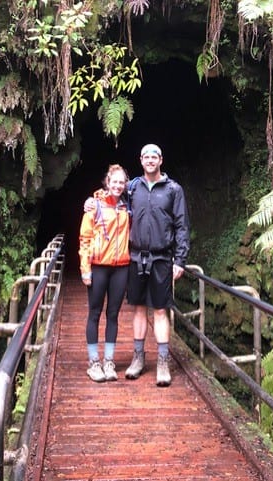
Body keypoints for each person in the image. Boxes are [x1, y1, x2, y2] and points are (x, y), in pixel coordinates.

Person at [85, 143, 190, 386]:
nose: (150, 160)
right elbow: (110, 194)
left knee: (161, 310)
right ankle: (138, 358)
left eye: (154, 156)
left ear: (161, 160)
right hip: (136, 258)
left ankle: (163, 363)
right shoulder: (132, 188)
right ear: (141, 160)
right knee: (139, 308)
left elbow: (182, 226)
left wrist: (181, 259)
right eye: (146, 156)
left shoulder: (173, 190)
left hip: (163, 257)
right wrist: (90, 201)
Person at [78, 164, 131, 382]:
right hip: (99, 266)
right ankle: (93, 363)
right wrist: (85, 269)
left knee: (113, 315)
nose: (118, 185)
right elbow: (85, 239)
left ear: (125, 184)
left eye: (121, 182)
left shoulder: (127, 207)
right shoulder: (95, 206)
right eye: (114, 182)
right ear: (107, 183)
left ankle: (109, 362)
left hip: (121, 267)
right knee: (95, 312)